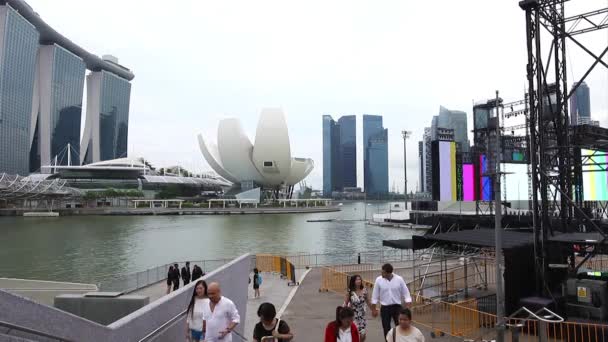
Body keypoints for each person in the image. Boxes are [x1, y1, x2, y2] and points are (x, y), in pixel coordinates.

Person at [372, 263, 412, 338]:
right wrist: (374, 309)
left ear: (389, 273)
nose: (381, 273)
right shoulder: (378, 280)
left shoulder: (399, 279)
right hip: (385, 308)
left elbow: (406, 293)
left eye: (383, 272)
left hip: (397, 307)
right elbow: (375, 295)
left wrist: (408, 306)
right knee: (386, 328)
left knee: (400, 326)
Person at [345, 275, 372, 341]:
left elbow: (368, 302)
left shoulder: (364, 291)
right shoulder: (350, 292)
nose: (359, 281)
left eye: (359, 279)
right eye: (357, 280)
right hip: (352, 316)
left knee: (363, 335)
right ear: (353, 281)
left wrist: (374, 310)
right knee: (354, 334)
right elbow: (345, 303)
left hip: (362, 317)